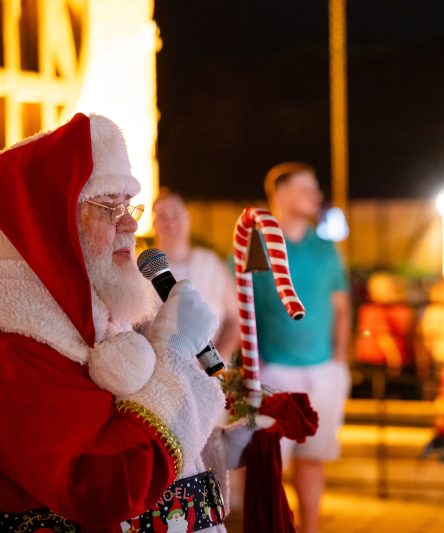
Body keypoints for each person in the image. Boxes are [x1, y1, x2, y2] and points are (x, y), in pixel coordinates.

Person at [0, 113, 256, 531]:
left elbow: (160, 453)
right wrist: (171, 351)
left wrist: (229, 440)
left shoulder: (103, 320)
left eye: (128, 204)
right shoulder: (15, 344)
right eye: (109, 206)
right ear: (52, 219)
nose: (132, 223)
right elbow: (102, 485)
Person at [253, 162, 351, 533]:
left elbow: (341, 307)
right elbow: (238, 301)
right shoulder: (255, 244)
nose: (317, 195)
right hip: (275, 369)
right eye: (307, 188)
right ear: (281, 194)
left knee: (313, 459)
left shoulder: (326, 249)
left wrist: (340, 361)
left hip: (323, 369)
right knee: (271, 465)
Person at [152, 189, 240, 361]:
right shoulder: (145, 268)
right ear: (153, 224)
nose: (170, 222)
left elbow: (234, 319)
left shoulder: (212, 264)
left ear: (188, 219)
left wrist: (218, 361)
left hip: (210, 371)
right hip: (158, 371)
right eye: (162, 216)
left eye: (175, 214)